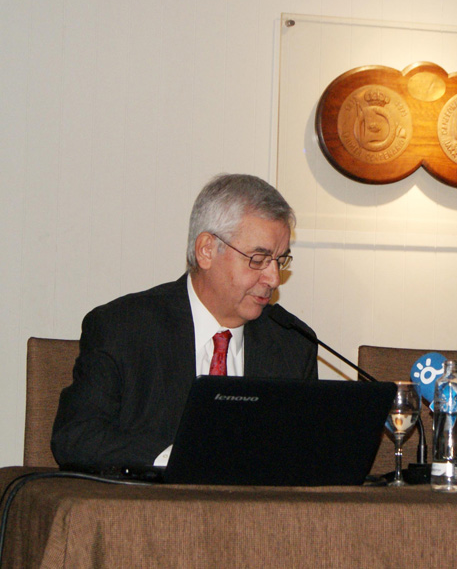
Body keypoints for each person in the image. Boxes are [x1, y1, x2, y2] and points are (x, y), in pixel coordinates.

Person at [51, 174, 318, 467]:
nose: (273, 279)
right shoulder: (123, 328)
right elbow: (76, 437)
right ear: (206, 250)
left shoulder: (293, 343)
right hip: (152, 511)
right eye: (258, 259)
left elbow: (306, 453)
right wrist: (177, 458)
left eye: (280, 260)